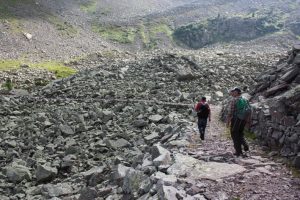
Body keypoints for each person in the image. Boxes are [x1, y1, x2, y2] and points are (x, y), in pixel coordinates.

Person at [227, 87, 250, 157]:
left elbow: (230, 112)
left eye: (233, 92)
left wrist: (228, 121)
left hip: (236, 119)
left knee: (234, 133)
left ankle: (238, 151)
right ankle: (245, 146)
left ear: (237, 92)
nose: (232, 93)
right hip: (243, 119)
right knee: (240, 133)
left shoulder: (234, 100)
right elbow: (249, 109)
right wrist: (248, 120)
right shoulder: (245, 99)